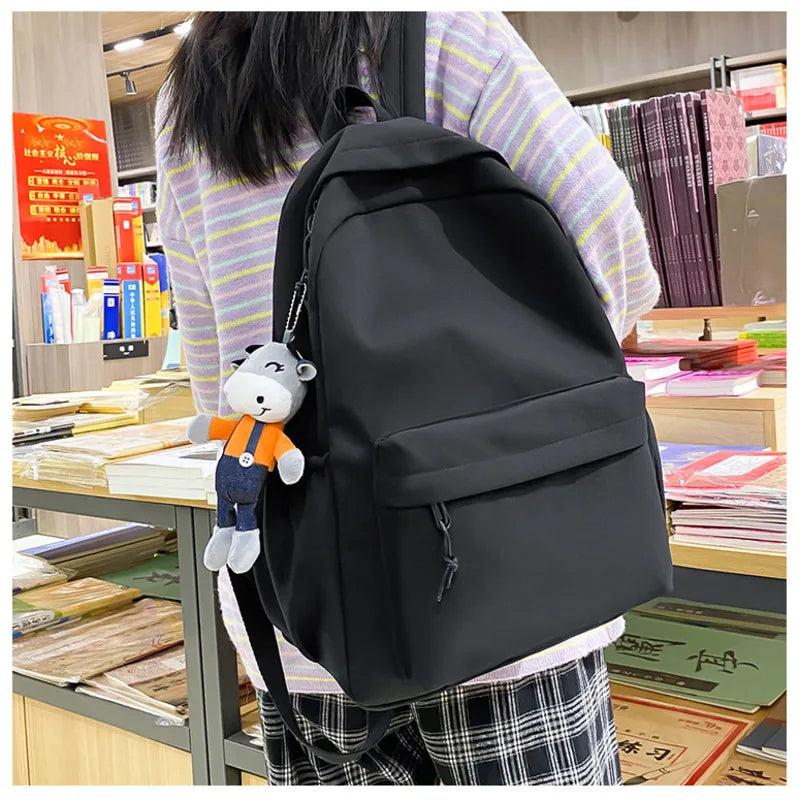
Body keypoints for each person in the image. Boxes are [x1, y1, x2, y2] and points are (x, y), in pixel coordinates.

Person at [157, 11, 660, 786]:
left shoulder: (188, 91)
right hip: (504, 587)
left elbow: (213, 380)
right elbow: (618, 254)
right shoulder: (442, 28)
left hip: (311, 617)